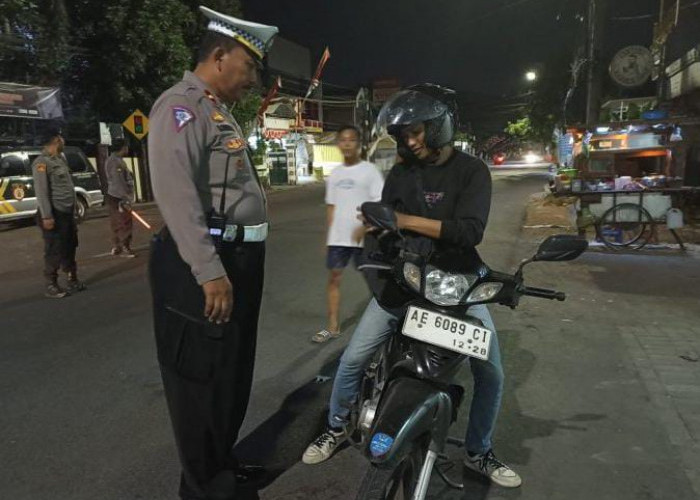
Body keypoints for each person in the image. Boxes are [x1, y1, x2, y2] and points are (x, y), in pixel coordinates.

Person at [302, 85, 522, 488]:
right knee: (352, 359)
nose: (411, 141)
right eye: (404, 135)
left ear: (439, 128)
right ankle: (336, 426)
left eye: (417, 131)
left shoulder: (472, 171)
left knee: (491, 372)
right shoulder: (403, 173)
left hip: (458, 283)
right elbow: (386, 223)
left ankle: (478, 451)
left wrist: (403, 222)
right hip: (407, 281)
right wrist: (376, 227)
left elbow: (468, 232)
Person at [147, 6, 278, 500]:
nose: (253, 79)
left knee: (230, 374)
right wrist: (208, 270)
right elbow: (176, 193)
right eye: (250, 67)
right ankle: (205, 489)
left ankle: (220, 463)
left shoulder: (216, 110)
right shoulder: (180, 107)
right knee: (199, 381)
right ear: (220, 56)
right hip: (202, 266)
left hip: (237, 261)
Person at [311, 125, 384, 343]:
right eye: (343, 140)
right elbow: (331, 207)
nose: (347, 144)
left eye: (351, 140)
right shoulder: (335, 174)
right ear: (338, 145)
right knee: (334, 279)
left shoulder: (370, 171)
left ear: (359, 144)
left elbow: (379, 203)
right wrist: (329, 236)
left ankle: (383, 326)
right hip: (338, 239)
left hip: (364, 238)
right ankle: (332, 326)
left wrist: (367, 227)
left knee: (373, 282)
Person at [31, 125, 87, 299]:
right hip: (54, 213)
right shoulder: (41, 163)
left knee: (70, 245)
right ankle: (51, 284)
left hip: (67, 212)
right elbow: (42, 191)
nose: (63, 141)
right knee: (54, 249)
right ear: (56, 140)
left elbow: (67, 186)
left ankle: (72, 278)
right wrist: (47, 216)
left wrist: (74, 209)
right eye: (61, 138)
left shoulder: (60, 159)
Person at [104, 138, 135, 257]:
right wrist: (125, 199)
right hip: (119, 197)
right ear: (122, 148)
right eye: (126, 147)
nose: (127, 149)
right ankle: (124, 246)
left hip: (115, 196)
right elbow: (119, 182)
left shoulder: (116, 160)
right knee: (124, 222)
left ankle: (118, 247)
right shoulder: (115, 162)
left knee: (117, 222)